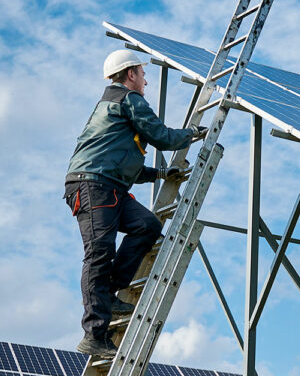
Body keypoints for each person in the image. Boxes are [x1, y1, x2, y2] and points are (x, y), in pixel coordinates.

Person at [64, 50, 205, 359]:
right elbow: (162, 136)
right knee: (99, 253)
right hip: (94, 186)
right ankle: (94, 333)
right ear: (130, 75)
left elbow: (126, 163)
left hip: (107, 185)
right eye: (142, 73)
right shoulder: (128, 99)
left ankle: (109, 293)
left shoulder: (114, 109)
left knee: (147, 225)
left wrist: (161, 173)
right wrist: (192, 135)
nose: (145, 80)